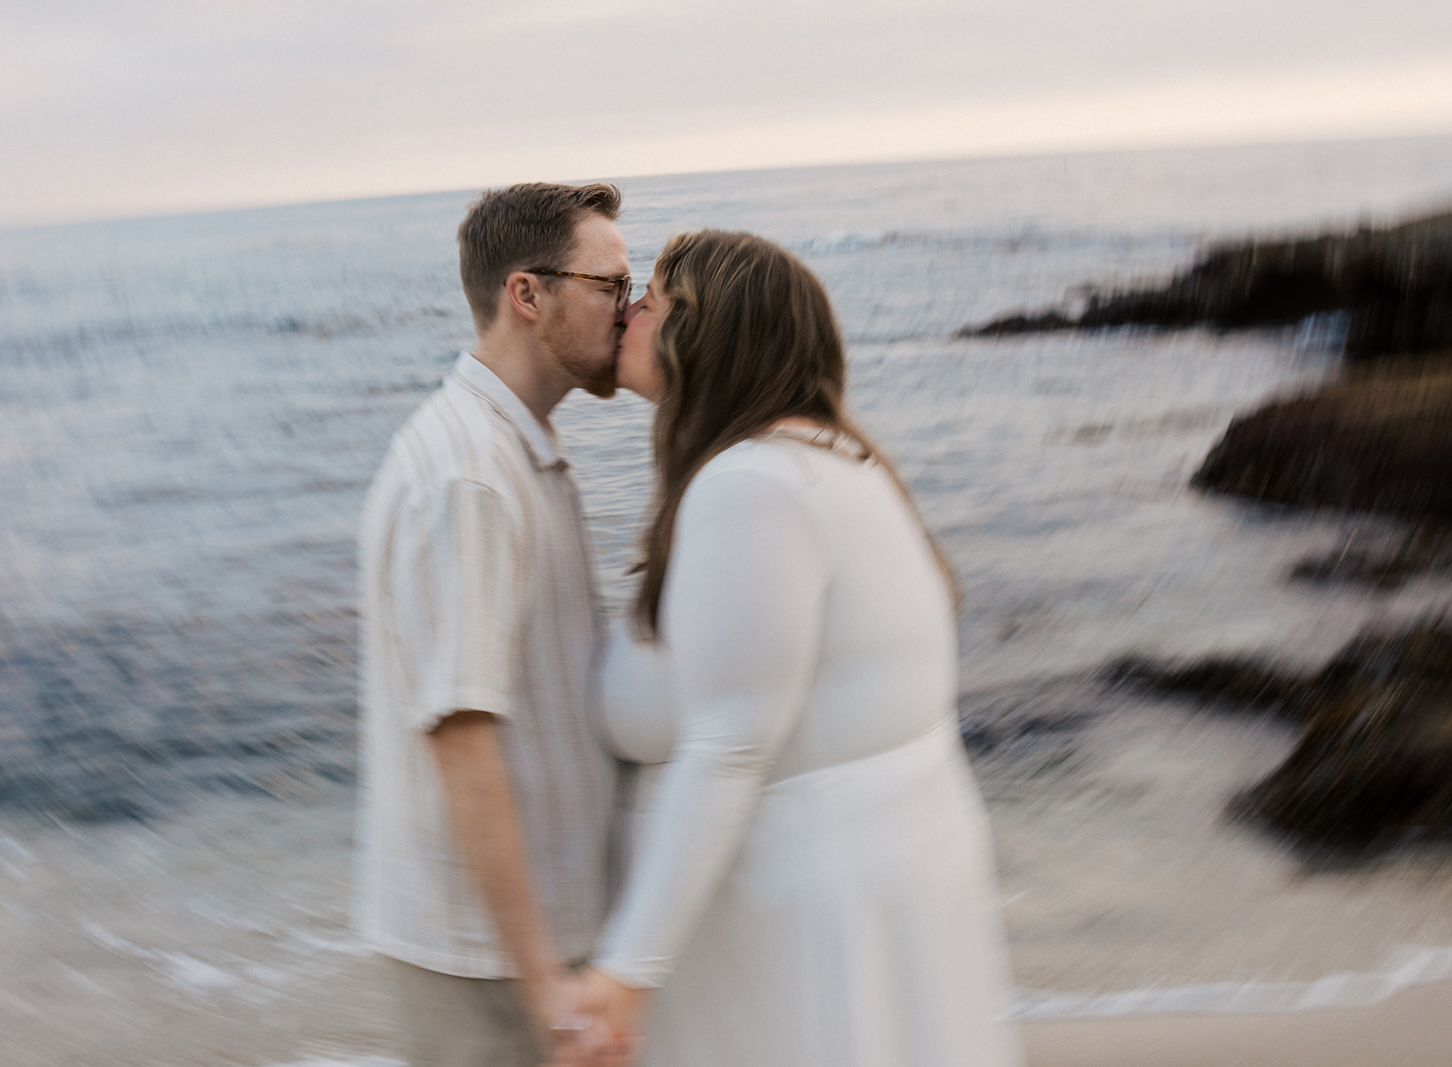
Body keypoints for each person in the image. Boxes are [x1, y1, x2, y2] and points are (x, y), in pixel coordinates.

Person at [564, 230, 1024, 1067]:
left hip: (794, 935)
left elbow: (730, 743)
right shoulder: (839, 461)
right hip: (866, 898)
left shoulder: (750, 486)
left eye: (652, 299)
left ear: (703, 334)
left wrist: (625, 969)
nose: (628, 312)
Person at [353, 182, 631, 1067]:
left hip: (524, 945)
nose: (631, 311)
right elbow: (462, 737)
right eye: (611, 286)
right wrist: (544, 983)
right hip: (485, 960)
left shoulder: (514, 447)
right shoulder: (467, 477)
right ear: (528, 294)